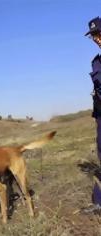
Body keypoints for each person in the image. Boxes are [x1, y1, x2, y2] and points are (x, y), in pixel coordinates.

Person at [85, 16, 101, 213]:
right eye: (94, 35)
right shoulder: (96, 62)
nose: (96, 38)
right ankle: (99, 202)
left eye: (98, 33)